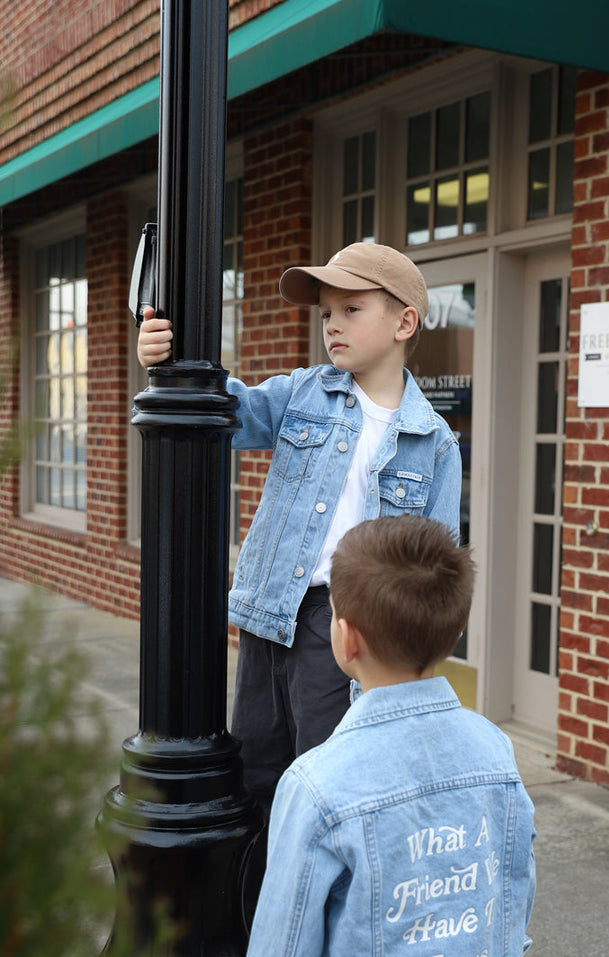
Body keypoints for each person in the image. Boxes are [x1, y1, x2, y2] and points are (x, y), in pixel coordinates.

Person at [229, 515, 536, 957]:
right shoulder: (495, 750)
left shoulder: (318, 782)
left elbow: (284, 933)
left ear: (346, 637)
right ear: (452, 634)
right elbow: (512, 896)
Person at [137, 243, 462, 818]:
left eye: (351, 309)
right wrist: (166, 363)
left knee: (325, 781)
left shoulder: (433, 442)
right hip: (272, 612)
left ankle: (316, 898)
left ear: (403, 322)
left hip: (349, 626)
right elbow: (222, 412)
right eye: (326, 314)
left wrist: (408, 671)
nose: (332, 325)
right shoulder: (305, 393)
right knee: (257, 772)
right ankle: (261, 898)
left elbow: (435, 573)